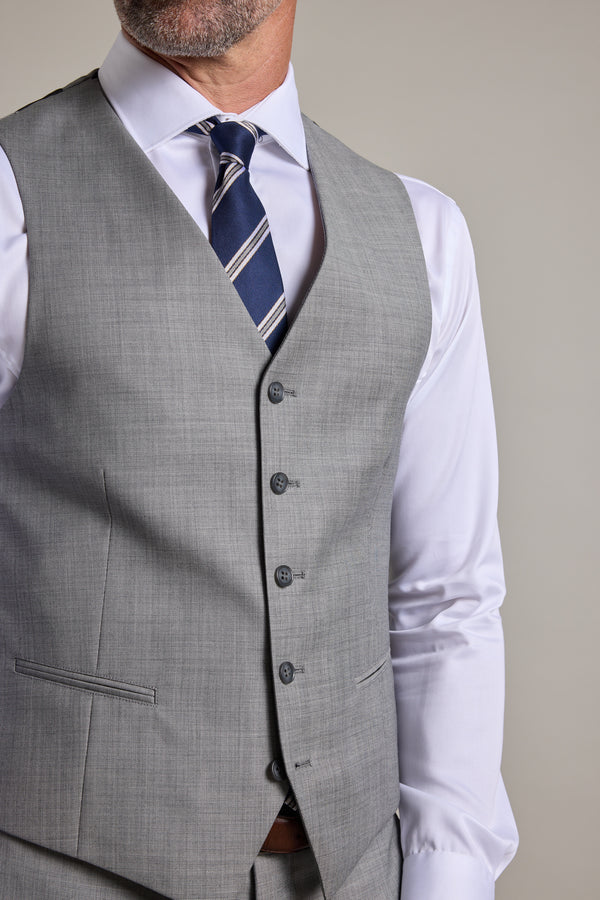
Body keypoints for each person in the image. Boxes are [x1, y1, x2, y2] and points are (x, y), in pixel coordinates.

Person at [0, 1, 518, 897]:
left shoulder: (423, 235)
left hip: (354, 869)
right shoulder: (12, 195)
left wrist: (449, 879)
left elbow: (443, 595)